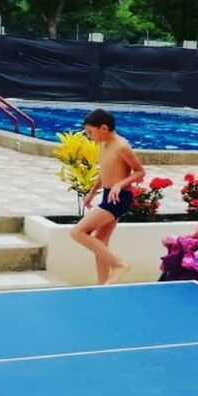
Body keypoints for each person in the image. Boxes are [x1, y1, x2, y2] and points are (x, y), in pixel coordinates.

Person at [70, 108, 145, 285]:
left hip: (119, 198)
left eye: (90, 132)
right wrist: (91, 193)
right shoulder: (103, 145)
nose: (89, 136)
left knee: (78, 232)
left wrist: (119, 184)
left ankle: (119, 265)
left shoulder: (122, 147)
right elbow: (103, 172)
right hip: (107, 195)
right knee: (100, 241)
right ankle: (102, 284)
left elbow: (140, 172)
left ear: (103, 128)